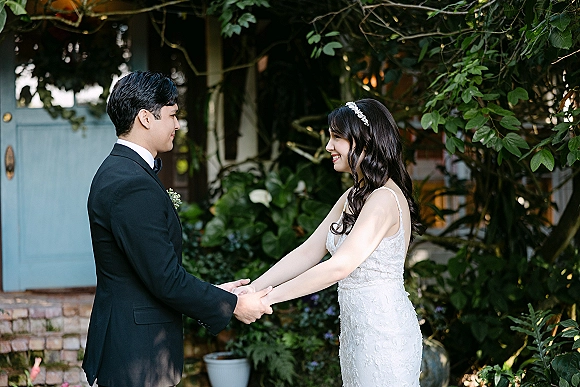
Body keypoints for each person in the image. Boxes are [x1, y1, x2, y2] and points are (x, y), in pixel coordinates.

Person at [82, 71, 272, 387]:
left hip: (134, 347)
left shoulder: (123, 171)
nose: (177, 125)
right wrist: (234, 305)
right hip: (136, 357)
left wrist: (215, 293)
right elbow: (165, 279)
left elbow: (152, 272)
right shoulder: (131, 184)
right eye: (172, 115)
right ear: (145, 118)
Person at [236, 99, 423, 386]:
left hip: (385, 335)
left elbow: (338, 267)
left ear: (365, 142)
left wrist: (266, 300)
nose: (328, 147)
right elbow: (309, 251)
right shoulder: (353, 196)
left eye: (337, 137)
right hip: (356, 333)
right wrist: (254, 287)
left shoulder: (384, 199)